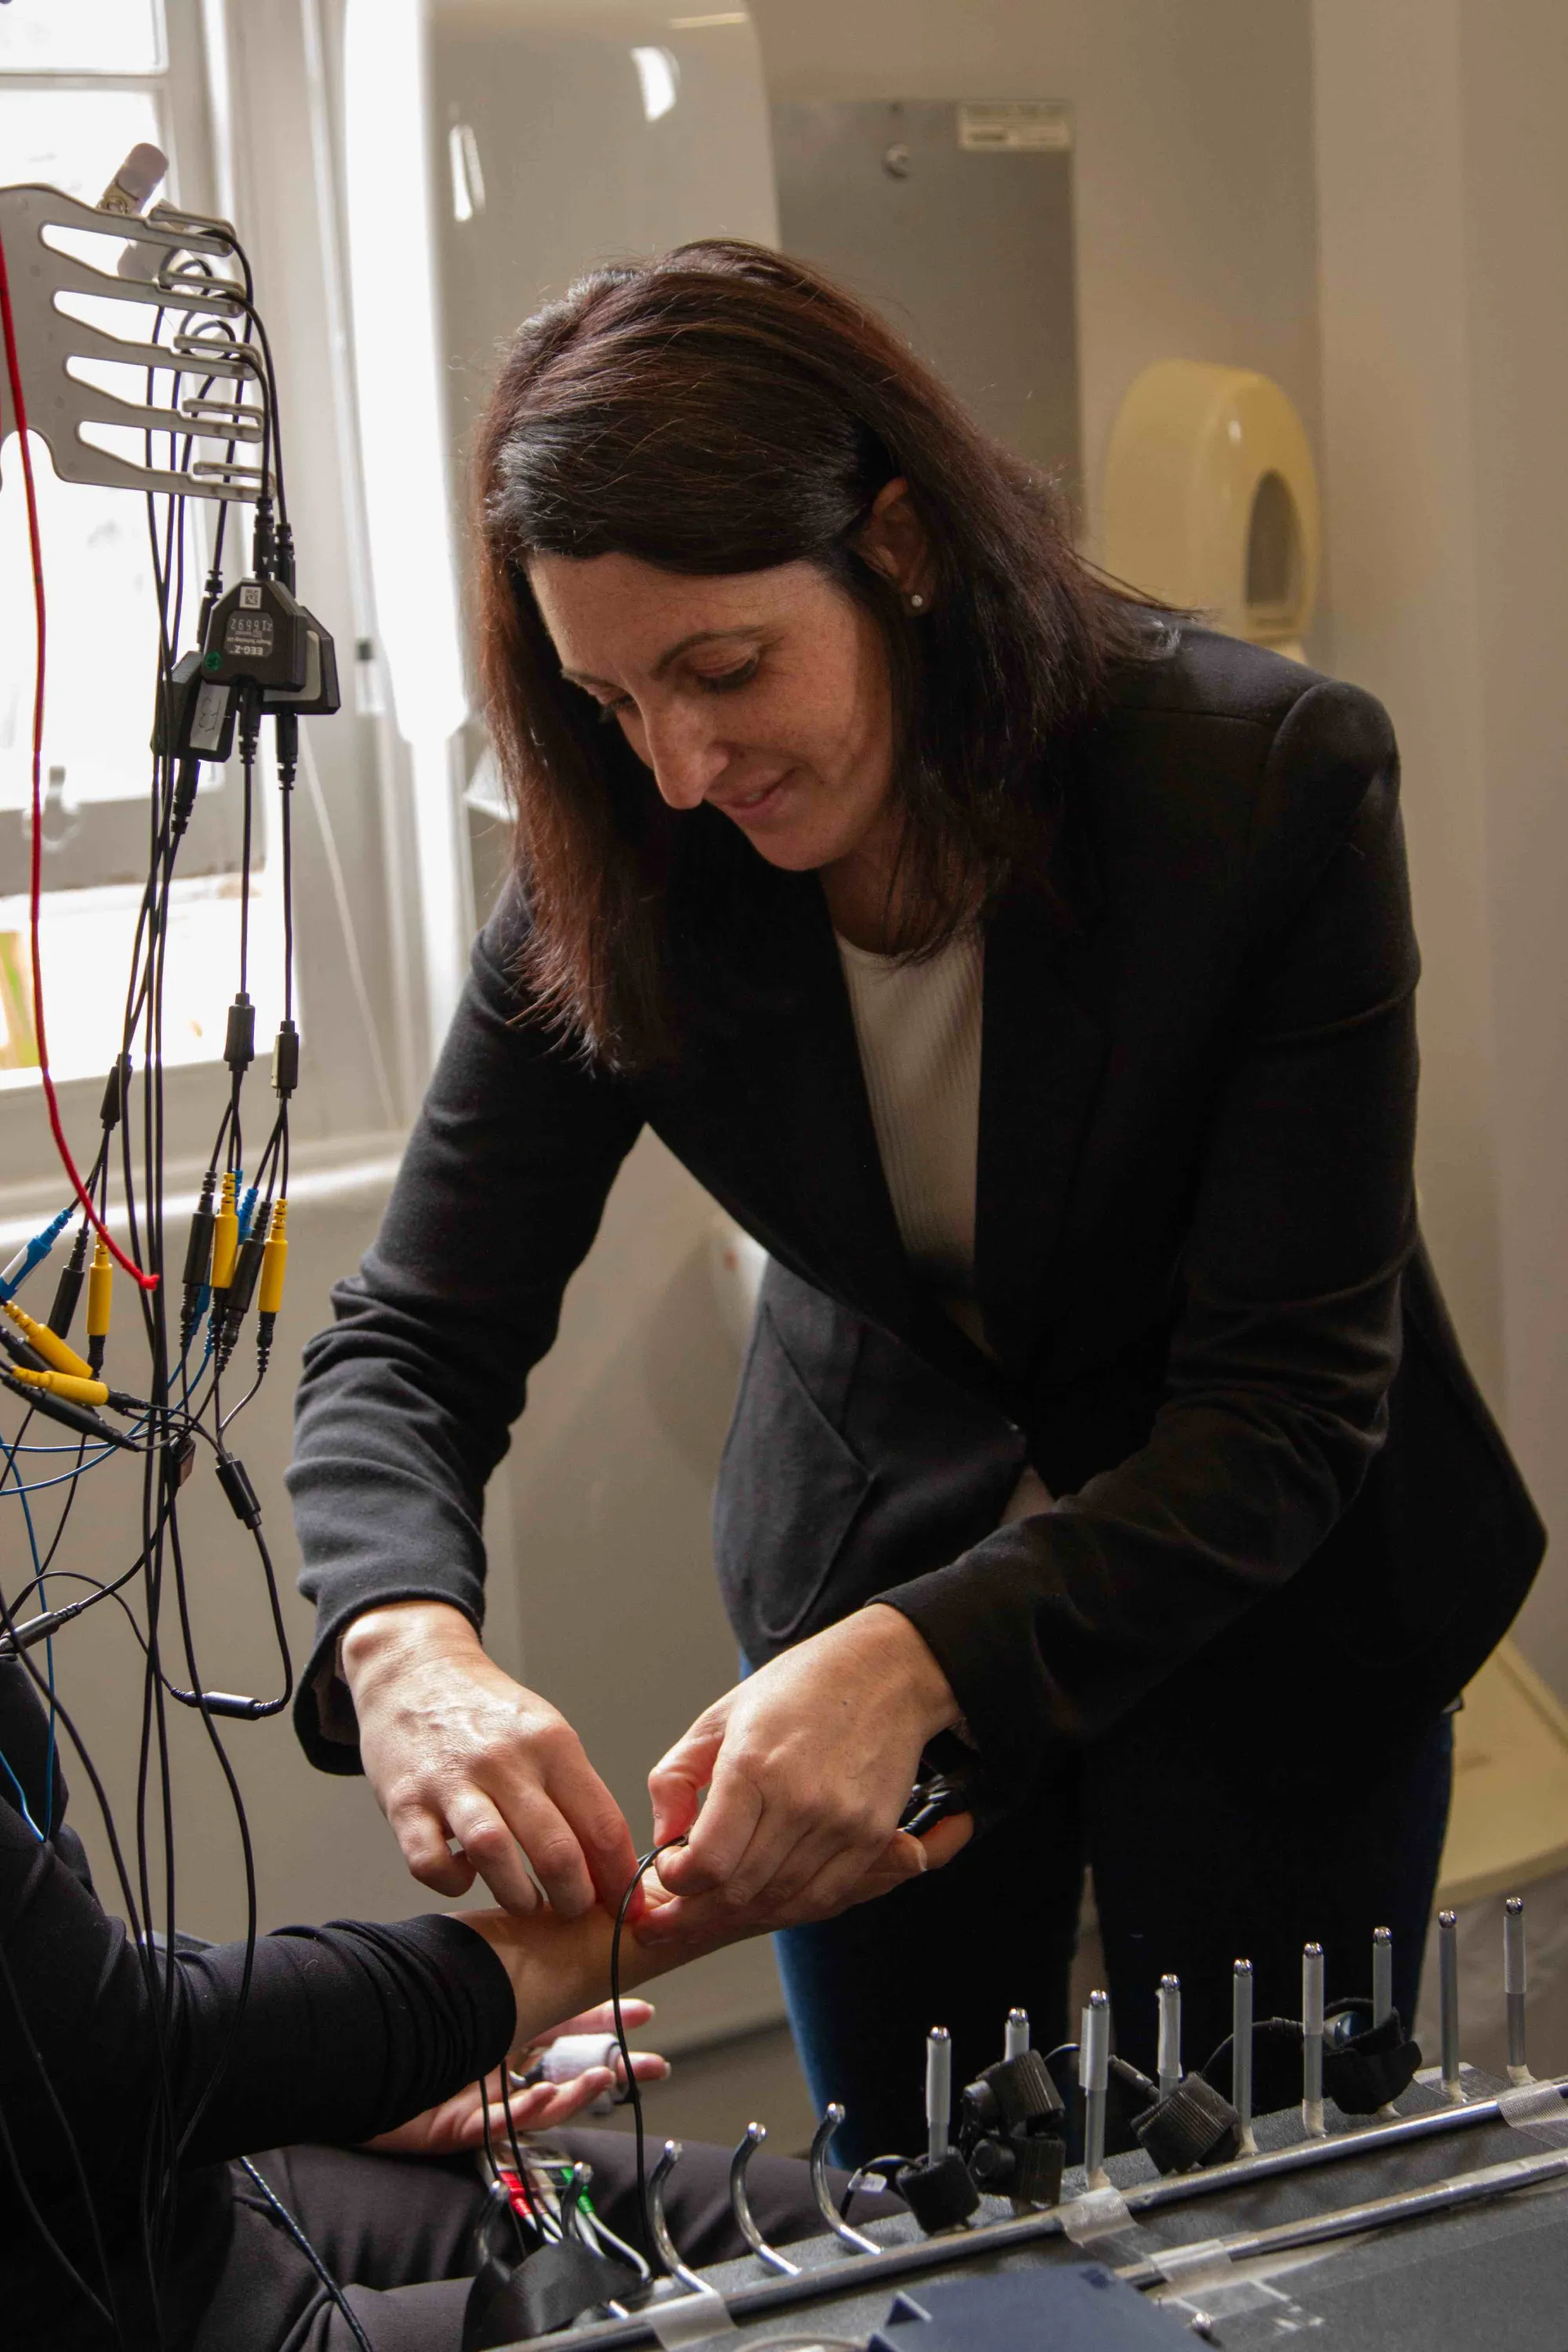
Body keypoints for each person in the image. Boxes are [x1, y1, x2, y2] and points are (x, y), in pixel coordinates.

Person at [287, 241, 1544, 2161]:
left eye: (722, 669)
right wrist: (405, 1644)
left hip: (1269, 1595)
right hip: (861, 1561)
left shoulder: (1257, 785)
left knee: (1286, 2191)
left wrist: (911, 1656)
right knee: (916, 2186)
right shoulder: (626, 864)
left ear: (899, 546)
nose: (682, 767)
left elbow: (1281, 1412)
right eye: (612, 699)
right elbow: (411, 1337)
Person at [0, 1653, 947, 2350]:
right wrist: (703, 1899)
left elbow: (58, 1981)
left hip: (193, 2172)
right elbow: (108, 2060)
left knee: (888, 2235)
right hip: (106, 2303)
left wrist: (319, 2083)